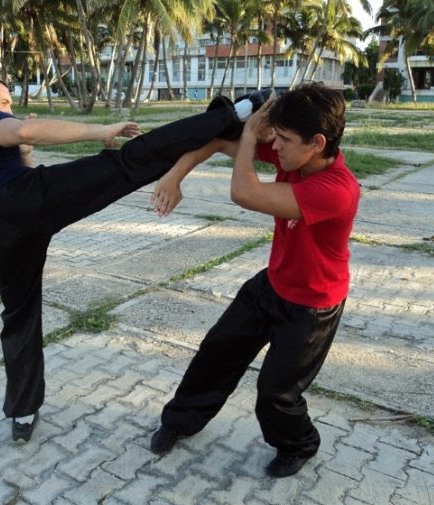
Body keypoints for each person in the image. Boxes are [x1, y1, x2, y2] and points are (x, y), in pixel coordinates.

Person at [0, 76, 265, 442]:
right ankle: (237, 112)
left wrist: (25, 155)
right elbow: (31, 131)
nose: (10, 110)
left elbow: (7, 186)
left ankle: (23, 410)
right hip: (21, 202)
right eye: (4, 102)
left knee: (19, 318)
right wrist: (103, 129)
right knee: (129, 162)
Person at [149, 82, 361, 478]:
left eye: (283, 139)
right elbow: (214, 141)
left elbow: (243, 192)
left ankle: (300, 444)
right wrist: (174, 177)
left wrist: (249, 135)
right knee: (215, 354)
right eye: (273, 136)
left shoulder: (337, 190)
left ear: (317, 142)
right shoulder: (296, 159)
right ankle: (179, 422)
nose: (275, 146)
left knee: (276, 394)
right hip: (272, 284)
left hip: (312, 306)